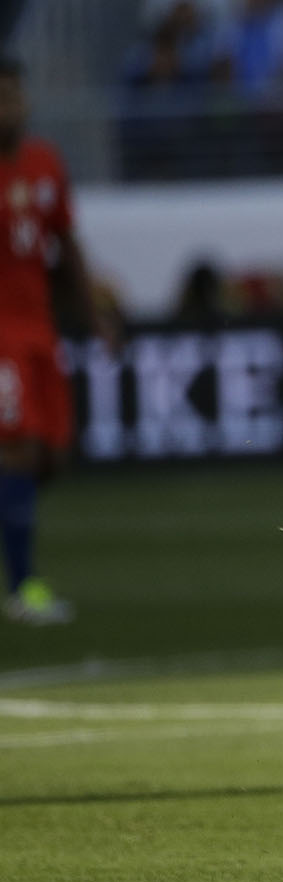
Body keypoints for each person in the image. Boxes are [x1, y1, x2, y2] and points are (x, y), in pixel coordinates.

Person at [0, 57, 116, 626]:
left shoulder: (45, 162)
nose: (11, 107)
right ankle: (24, 587)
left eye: (15, 96)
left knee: (51, 454)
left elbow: (65, 245)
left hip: (40, 329)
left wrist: (94, 317)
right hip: (1, 337)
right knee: (18, 450)